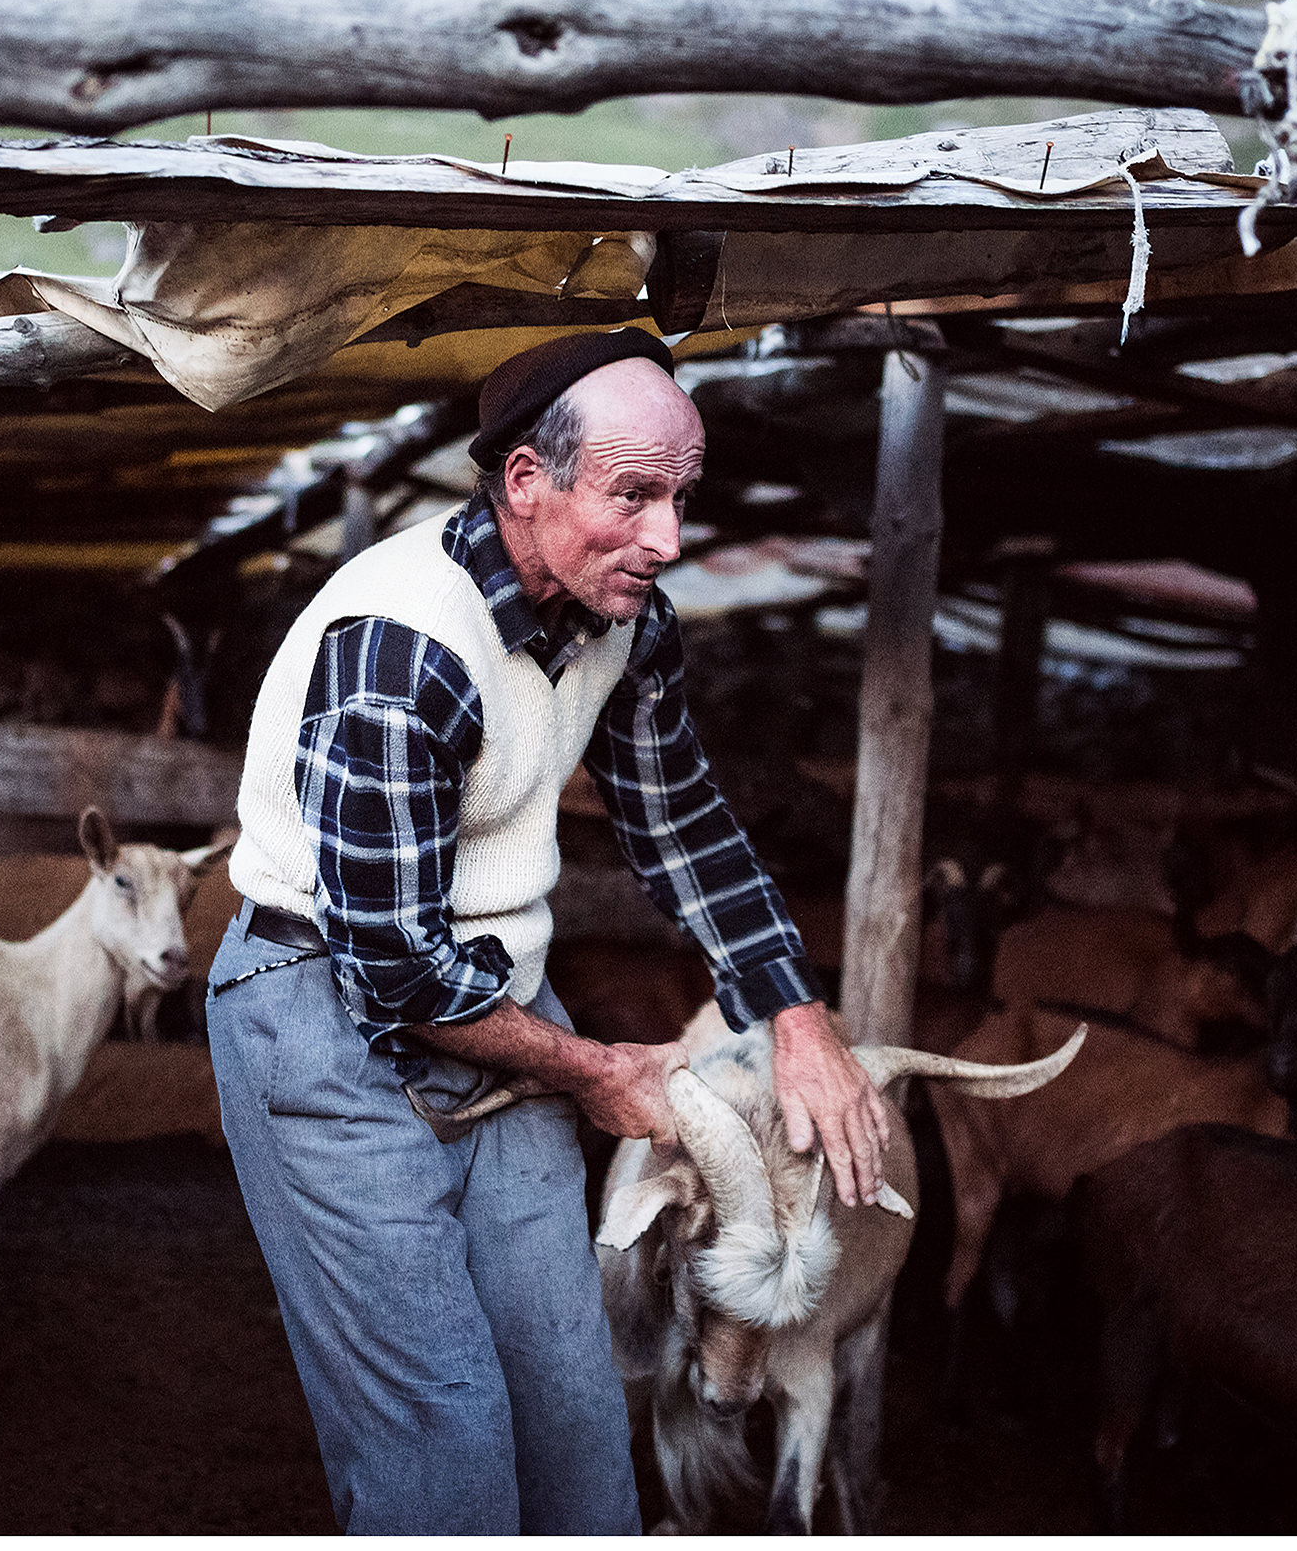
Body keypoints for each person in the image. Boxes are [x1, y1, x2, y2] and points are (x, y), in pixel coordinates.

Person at [206, 327, 890, 1535]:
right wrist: (592, 1069)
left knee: (574, 1416)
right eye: (634, 495)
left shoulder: (623, 612)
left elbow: (680, 823)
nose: (669, 538)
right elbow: (396, 972)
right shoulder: (401, 650)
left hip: (500, 996)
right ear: (527, 482)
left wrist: (795, 1014)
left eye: (683, 497)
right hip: (324, 1013)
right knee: (444, 1442)